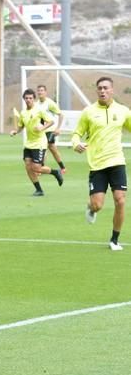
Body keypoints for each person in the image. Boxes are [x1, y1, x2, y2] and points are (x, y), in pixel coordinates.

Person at [72, 76, 131, 251]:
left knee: (120, 200)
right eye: (100, 88)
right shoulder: (88, 112)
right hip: (97, 165)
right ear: (96, 91)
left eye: (106, 88)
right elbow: (76, 134)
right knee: (97, 205)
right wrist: (76, 144)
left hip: (117, 162)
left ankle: (114, 240)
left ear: (112, 90)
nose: (103, 91)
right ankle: (91, 208)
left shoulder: (123, 111)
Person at [10, 88, 64, 196]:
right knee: (28, 166)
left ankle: (55, 172)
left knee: (36, 168)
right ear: (24, 99)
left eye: (30, 98)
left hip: (39, 143)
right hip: (28, 144)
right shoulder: (23, 113)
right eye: (26, 98)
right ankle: (39, 190)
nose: (28, 100)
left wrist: (42, 128)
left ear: (34, 99)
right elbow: (21, 127)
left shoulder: (39, 110)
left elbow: (51, 121)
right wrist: (15, 131)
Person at [36, 85, 66, 173]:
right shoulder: (36, 104)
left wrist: (58, 128)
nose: (40, 92)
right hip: (42, 130)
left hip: (50, 130)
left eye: (42, 90)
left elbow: (61, 115)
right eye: (39, 90)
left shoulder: (50, 103)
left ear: (45, 92)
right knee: (52, 149)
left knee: (45, 147)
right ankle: (62, 167)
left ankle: (40, 169)